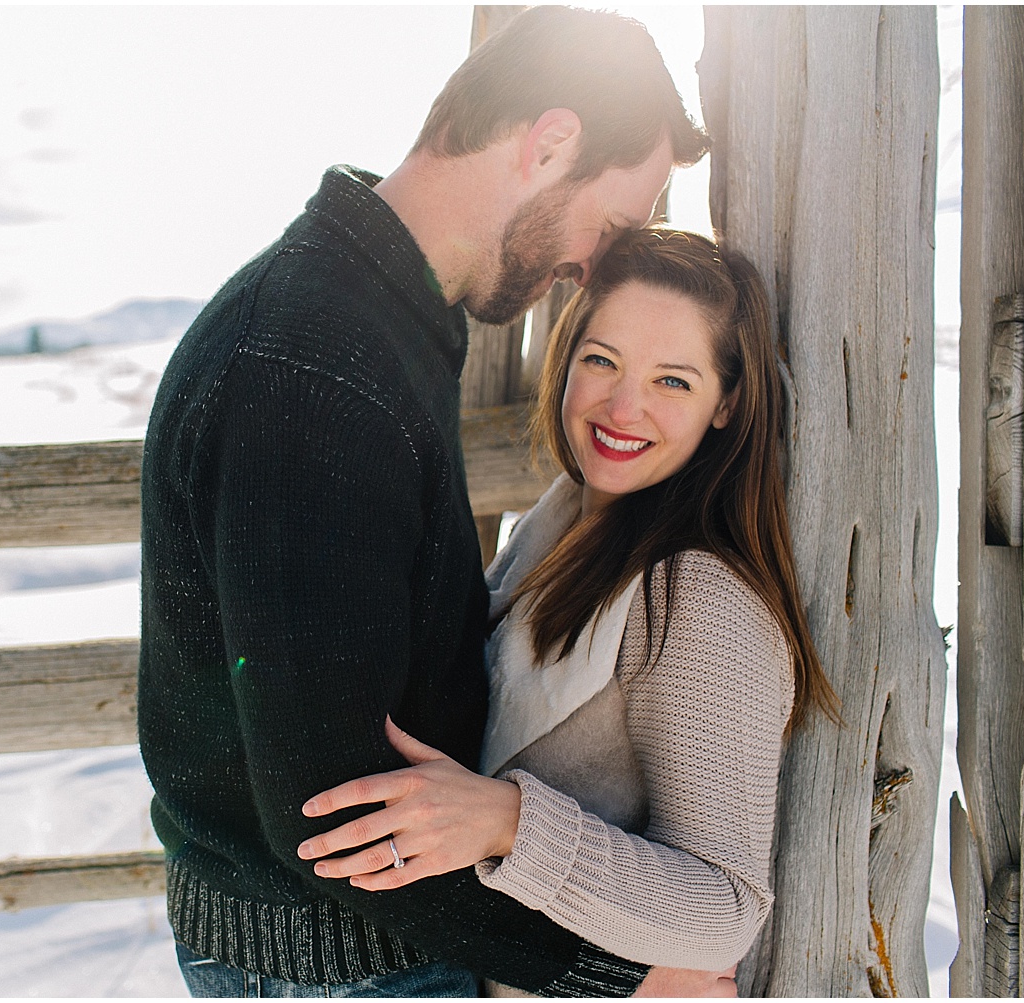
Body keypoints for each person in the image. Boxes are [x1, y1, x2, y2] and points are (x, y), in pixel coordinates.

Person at [138, 6, 722, 997]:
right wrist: (610, 971)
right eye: (610, 224)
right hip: (337, 966)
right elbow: (332, 807)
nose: (594, 266)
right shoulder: (314, 366)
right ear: (551, 143)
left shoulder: (368, 320)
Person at [296, 228, 841, 995]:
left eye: (674, 382)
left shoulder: (696, 597)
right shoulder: (561, 525)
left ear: (729, 405)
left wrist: (508, 823)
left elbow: (725, 906)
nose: (624, 406)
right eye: (602, 360)